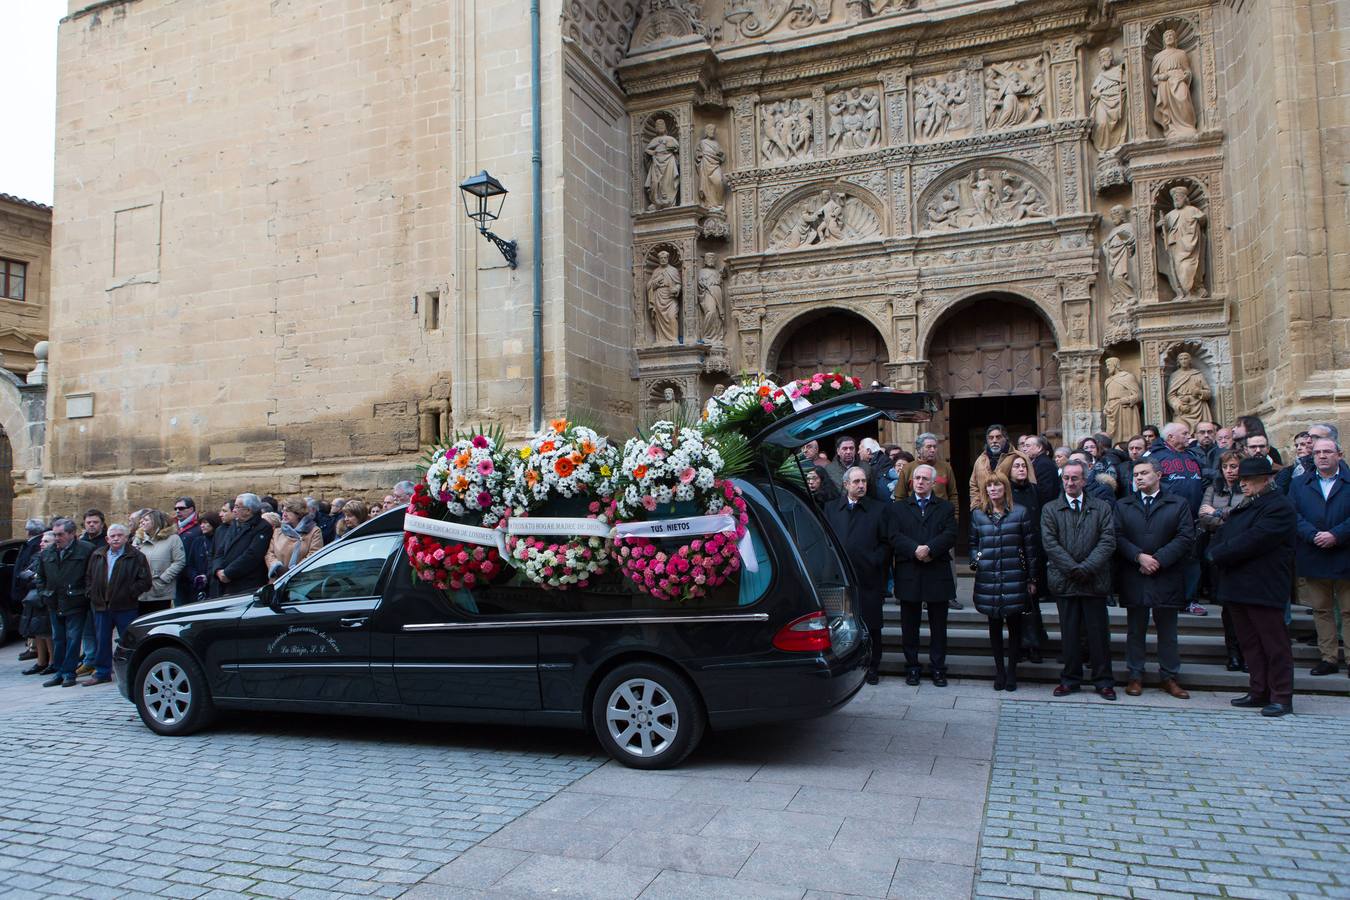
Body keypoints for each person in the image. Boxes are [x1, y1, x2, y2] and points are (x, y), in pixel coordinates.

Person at [1209, 456, 1299, 716]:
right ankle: (1259, 690)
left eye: (1249, 480)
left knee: (1274, 644)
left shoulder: (1279, 506)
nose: (1244, 485)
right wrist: (1216, 550)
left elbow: (1255, 539)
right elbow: (1225, 534)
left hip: (1264, 586)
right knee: (1250, 643)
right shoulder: (1247, 505)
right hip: (1238, 585)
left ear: (1266, 479)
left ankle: (1282, 696)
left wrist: (1219, 554)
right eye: (1242, 480)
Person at [1115, 458, 1195, 698]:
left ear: (1158, 475)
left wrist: (1157, 559)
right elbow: (1116, 535)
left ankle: (1169, 676)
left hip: (1166, 574)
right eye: (1136, 474)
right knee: (1135, 629)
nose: (1139, 477)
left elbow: (1185, 536)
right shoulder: (1123, 505)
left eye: (1144, 473)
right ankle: (1135, 675)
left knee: (1167, 630)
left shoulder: (1177, 503)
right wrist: (1139, 557)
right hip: (1135, 573)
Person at [1042, 460, 1118, 699]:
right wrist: (1072, 568)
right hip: (1065, 580)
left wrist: (1086, 567)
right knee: (1070, 634)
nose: (1070, 482)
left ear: (1085, 480)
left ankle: (1103, 680)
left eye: (1075, 478)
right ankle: (1070, 679)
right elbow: (1050, 543)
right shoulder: (1051, 509)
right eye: (1066, 478)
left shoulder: (1101, 507)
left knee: (1098, 635)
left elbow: (1107, 541)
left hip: (1094, 580)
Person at [824, 466, 897, 684]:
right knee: (841, 624)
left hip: (869, 577)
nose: (861, 485)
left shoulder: (879, 509)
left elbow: (887, 543)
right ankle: (844, 663)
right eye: (856, 482)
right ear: (845, 484)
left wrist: (875, 560)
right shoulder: (830, 508)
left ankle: (872, 666)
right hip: (839, 579)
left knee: (871, 625)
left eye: (863, 481)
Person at [969, 472, 1039, 691]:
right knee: (994, 626)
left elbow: (1030, 548)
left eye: (997, 485)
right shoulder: (978, 515)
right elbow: (973, 542)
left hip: (1014, 576)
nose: (993, 489)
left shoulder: (1020, 512)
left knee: (1015, 627)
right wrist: (976, 560)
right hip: (989, 577)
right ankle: (999, 671)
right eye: (989, 486)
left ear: (1005, 488)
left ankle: (1011, 672)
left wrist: (1032, 578)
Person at [891, 464, 958, 687]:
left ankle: (938, 668)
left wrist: (929, 548)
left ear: (933, 483)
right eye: (916, 478)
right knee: (909, 626)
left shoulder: (945, 507)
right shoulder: (899, 508)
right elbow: (894, 535)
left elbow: (950, 534)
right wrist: (914, 550)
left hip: (936, 571)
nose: (919, 482)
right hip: (909, 571)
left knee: (939, 626)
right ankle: (912, 667)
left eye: (924, 479)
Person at [1290, 437, 1350, 676]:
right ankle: (1329, 658)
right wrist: (1313, 534)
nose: (1322, 456)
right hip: (1313, 551)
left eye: (1327, 452)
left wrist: (1336, 535)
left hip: (1345, 552)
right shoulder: (1299, 484)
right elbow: (1292, 514)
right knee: (1321, 610)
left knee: (1348, 611)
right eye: (1317, 453)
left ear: (1339, 455)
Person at [83, 524, 153, 686]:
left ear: (126, 538)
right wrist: (91, 593)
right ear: (107, 539)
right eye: (112, 536)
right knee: (102, 640)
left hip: (125, 606)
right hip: (101, 605)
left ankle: (133, 671)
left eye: (119, 535)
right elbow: (89, 577)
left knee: (128, 641)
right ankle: (102, 672)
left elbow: (145, 581)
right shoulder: (98, 555)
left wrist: (129, 593)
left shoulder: (136, 556)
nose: (115, 538)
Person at [1149, 422, 1208, 615]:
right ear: (1170, 437)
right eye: (1184, 433)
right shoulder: (1155, 457)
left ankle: (1190, 599)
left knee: (1191, 559)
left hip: (1192, 517)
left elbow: (1206, 477)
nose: (1188, 436)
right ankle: (1163, 598)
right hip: (1166, 516)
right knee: (1165, 557)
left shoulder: (1193, 455)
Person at [1199, 450, 1248, 671]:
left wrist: (1218, 512)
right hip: (1219, 552)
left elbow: (1246, 515)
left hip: (1245, 552)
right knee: (1228, 608)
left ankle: (1249, 653)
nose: (1230, 471)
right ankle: (1234, 653)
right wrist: (1228, 515)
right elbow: (1203, 516)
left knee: (1246, 606)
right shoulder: (1213, 489)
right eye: (1226, 467)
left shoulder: (1248, 488)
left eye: (1234, 466)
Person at [998, 451, 1047, 662]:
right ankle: (1016, 646)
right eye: (1017, 466)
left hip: (1033, 552)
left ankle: (1034, 645)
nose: (1021, 469)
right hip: (1011, 555)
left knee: (1032, 603)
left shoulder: (1035, 490)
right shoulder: (1004, 493)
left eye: (1024, 466)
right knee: (1014, 605)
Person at [35, 518, 95, 688]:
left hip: (76, 602)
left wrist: (84, 594)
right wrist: (44, 593)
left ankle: (69, 673)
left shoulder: (86, 550)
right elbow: (40, 576)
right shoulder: (48, 552)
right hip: (54, 602)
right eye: (55, 534)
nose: (57, 538)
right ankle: (59, 672)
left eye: (60, 534)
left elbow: (91, 576)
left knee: (73, 639)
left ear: (71, 534)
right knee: (58, 639)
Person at [209, 493, 272, 597]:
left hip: (246, 585)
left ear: (248, 511)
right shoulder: (234, 524)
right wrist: (218, 570)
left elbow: (252, 555)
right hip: (225, 583)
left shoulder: (262, 527)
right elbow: (220, 550)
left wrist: (228, 573)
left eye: (237, 507)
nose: (234, 510)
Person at [17, 526, 54, 676]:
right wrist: (34, 577)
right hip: (34, 599)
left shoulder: (52, 557)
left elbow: (44, 578)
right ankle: (41, 661)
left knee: (48, 633)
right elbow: (24, 574)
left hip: (46, 598)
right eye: (42, 541)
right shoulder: (37, 556)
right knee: (38, 632)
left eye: (46, 541)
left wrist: (35, 577)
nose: (41, 543)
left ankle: (52, 662)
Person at [135, 509, 186, 615]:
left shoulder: (173, 539)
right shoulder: (138, 539)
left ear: (156, 521)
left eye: (146, 520)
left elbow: (179, 561)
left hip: (160, 591)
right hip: (140, 592)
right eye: (141, 520)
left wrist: (163, 579)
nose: (142, 523)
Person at [895, 433, 959, 514]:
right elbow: (900, 497)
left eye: (935, 447)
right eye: (929, 447)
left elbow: (953, 495)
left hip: (940, 515)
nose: (932, 450)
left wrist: (955, 516)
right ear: (919, 449)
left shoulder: (946, 467)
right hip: (914, 516)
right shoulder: (907, 469)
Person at [267, 498, 325, 580]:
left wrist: (294, 572)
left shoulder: (314, 531)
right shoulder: (278, 531)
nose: (284, 514)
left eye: (288, 511)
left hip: (302, 580)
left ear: (299, 514)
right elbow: (270, 553)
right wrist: (277, 567)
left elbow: (314, 555)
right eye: (283, 511)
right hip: (278, 580)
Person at [173, 497, 210, 607]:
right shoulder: (174, 528)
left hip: (194, 577)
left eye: (181, 508)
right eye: (175, 508)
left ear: (191, 509)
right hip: (178, 577)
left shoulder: (199, 527)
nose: (177, 511)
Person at [968, 424, 1010, 508]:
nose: (994, 441)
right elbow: (973, 485)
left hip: (1010, 509)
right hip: (985, 509)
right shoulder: (980, 461)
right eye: (991, 438)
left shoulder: (1015, 458)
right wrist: (976, 506)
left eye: (998, 437)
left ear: (1005, 439)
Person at [1025, 436, 1061, 507]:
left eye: (1028, 446)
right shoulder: (1039, 461)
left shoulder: (1044, 464)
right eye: (1024, 446)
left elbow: (1045, 492)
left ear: (1039, 448)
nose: (1024, 449)